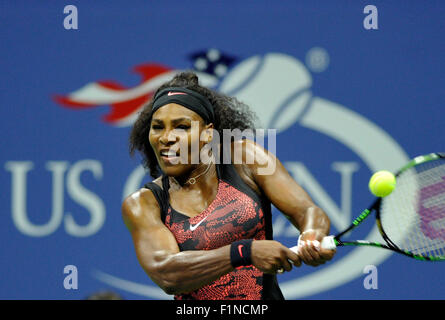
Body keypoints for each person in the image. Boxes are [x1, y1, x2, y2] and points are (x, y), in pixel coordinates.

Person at [122, 71, 335, 300]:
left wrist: (312, 234)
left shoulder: (246, 159)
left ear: (207, 133)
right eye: (158, 127)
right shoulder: (143, 203)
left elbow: (307, 210)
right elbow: (168, 274)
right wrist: (244, 252)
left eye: (181, 127)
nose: (166, 137)